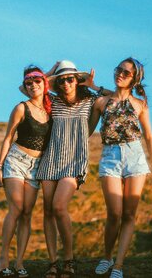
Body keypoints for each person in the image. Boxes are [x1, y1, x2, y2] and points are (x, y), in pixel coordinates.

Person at [35, 60, 111, 278]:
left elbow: (118, 97)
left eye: (70, 78)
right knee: (48, 211)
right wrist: (49, 72)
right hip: (50, 159)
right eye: (62, 80)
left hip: (74, 162)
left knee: (59, 206)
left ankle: (69, 259)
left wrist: (95, 86)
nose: (66, 83)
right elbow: (27, 87)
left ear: (77, 81)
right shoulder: (52, 102)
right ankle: (53, 263)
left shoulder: (90, 102)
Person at [91, 57, 152, 278]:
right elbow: (86, 130)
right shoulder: (101, 102)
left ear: (134, 79)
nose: (120, 74)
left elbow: (149, 136)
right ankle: (107, 256)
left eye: (126, 72)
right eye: (118, 69)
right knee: (114, 213)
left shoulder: (140, 104)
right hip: (110, 156)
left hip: (135, 157)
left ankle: (118, 266)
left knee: (129, 214)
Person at [0, 65, 52, 278]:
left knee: (27, 213)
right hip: (16, 161)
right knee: (16, 208)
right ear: (24, 87)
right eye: (28, 82)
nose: (33, 85)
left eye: (38, 81)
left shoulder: (50, 108)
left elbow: (42, 84)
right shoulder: (21, 108)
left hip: (36, 167)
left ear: (45, 82)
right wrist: (0, 167)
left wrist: (48, 72)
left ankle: (19, 262)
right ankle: (3, 258)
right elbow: (8, 137)